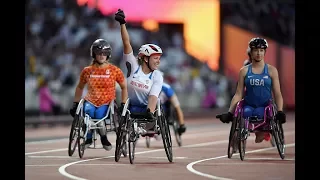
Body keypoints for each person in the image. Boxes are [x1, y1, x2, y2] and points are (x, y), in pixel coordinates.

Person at [216, 37, 286, 143]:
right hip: (248, 105)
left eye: (261, 50)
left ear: (264, 52)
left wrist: (280, 111)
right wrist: (230, 113)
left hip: (265, 106)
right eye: (256, 50)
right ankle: (251, 134)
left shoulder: (272, 71)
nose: (258, 53)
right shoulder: (244, 71)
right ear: (251, 52)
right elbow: (238, 94)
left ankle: (262, 133)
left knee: (259, 114)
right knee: (246, 112)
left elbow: (277, 93)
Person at [69, 39, 128, 151]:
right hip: (90, 100)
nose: (101, 56)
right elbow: (80, 87)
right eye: (99, 53)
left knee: (99, 116)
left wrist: (123, 103)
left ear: (108, 55)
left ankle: (103, 138)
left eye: (104, 54)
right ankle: (89, 138)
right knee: (88, 113)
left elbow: (124, 87)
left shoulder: (114, 70)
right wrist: (75, 103)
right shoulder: (87, 71)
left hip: (107, 102)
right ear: (94, 54)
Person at [115, 9, 163, 134]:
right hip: (130, 107)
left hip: (147, 110)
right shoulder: (133, 66)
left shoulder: (157, 75)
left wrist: (150, 112)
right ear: (146, 58)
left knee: (156, 100)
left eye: (159, 58)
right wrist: (122, 24)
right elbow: (126, 43)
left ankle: (147, 124)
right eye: (155, 58)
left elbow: (153, 95)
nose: (158, 61)